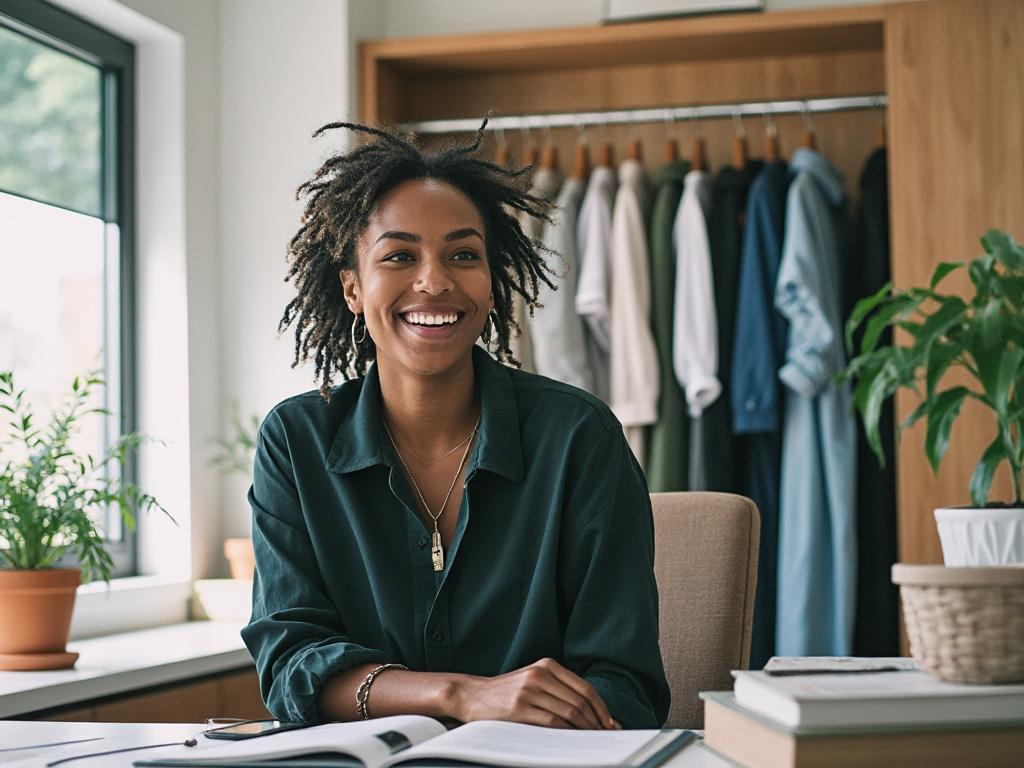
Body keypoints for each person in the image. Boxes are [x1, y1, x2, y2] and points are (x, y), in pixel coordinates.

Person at [240, 118, 670, 731]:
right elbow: (292, 667)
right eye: (400, 256)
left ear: (491, 284)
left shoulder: (578, 436)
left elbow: (623, 686)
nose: (434, 281)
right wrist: (459, 695)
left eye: (463, 255)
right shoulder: (297, 441)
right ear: (353, 289)